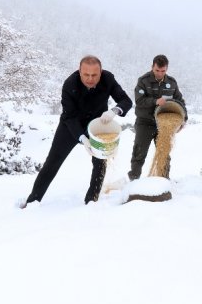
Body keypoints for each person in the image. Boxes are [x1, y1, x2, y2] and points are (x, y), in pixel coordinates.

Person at [23, 55, 132, 207]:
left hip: (97, 124)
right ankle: (33, 200)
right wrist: (82, 138)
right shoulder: (69, 84)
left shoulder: (108, 79)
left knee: (100, 161)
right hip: (71, 125)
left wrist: (114, 111)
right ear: (79, 71)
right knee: (53, 161)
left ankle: (91, 200)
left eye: (94, 75)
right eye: (86, 74)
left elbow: (126, 101)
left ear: (101, 72)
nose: (90, 79)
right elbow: (69, 116)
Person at [128, 54, 186, 181]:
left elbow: (180, 101)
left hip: (164, 125)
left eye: (163, 71)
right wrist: (155, 101)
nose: (160, 73)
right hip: (145, 122)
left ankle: (164, 180)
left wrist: (183, 119)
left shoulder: (172, 83)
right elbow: (139, 101)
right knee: (139, 152)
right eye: (157, 70)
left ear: (167, 69)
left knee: (164, 153)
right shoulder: (143, 81)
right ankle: (134, 179)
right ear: (152, 67)